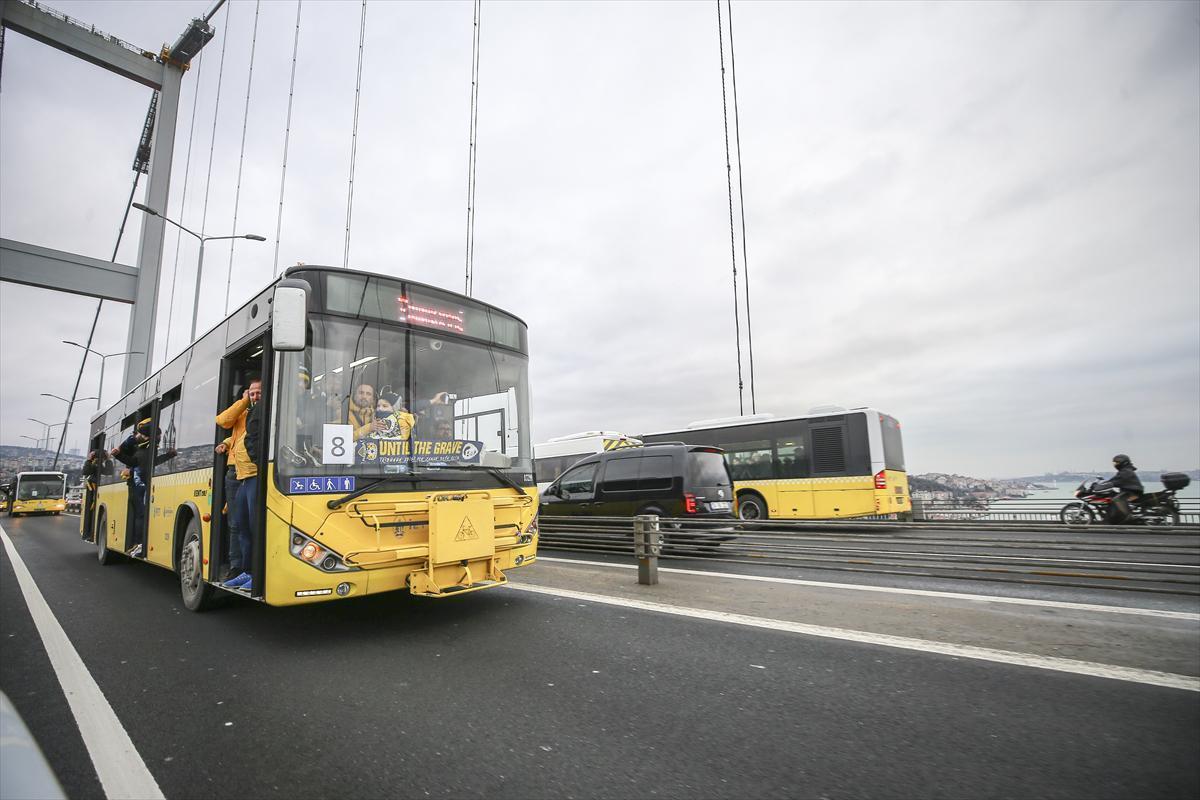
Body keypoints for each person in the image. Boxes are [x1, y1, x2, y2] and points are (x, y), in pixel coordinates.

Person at [215, 378, 261, 590]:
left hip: (253, 473)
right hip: (240, 475)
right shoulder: (246, 411)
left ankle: (255, 573)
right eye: (251, 393)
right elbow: (223, 421)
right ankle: (246, 571)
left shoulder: (265, 410)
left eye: (259, 392)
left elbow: (254, 439)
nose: (255, 396)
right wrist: (244, 401)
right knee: (240, 523)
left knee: (253, 525)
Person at [111, 419, 153, 557]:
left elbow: (133, 461)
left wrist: (118, 455)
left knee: (140, 514)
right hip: (138, 484)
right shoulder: (143, 447)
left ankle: (138, 543)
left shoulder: (144, 449)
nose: (137, 436)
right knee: (140, 514)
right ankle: (138, 544)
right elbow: (133, 460)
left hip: (138, 484)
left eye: (139, 433)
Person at [1093, 453, 1144, 523]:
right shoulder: (1125, 470)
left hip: (1133, 492)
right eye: (1114, 463)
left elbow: (1115, 481)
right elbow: (1114, 480)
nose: (1115, 464)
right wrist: (1105, 483)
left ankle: (1128, 516)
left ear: (1123, 462)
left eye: (1117, 462)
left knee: (1116, 499)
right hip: (1130, 491)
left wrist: (1105, 485)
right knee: (1112, 496)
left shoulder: (1126, 471)